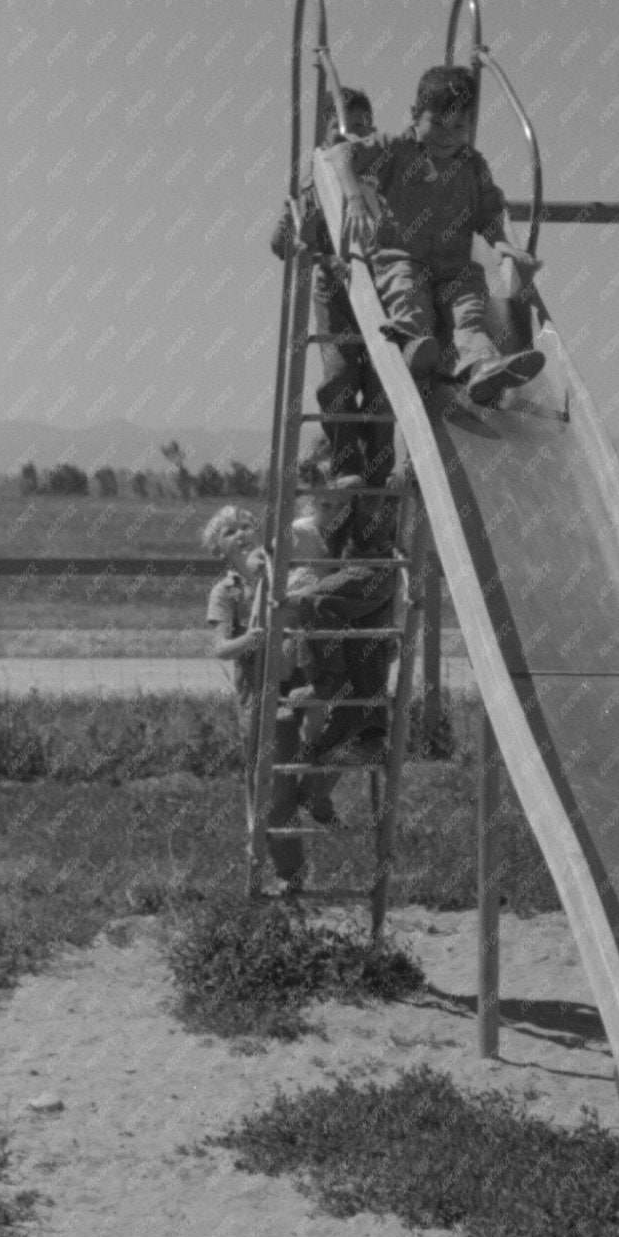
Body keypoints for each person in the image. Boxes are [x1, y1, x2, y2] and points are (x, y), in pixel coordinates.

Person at [331, 62, 546, 410]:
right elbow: (341, 153)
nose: (447, 135)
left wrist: (502, 244)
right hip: (402, 257)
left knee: (469, 313)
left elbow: (490, 213)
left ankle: (480, 368)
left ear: (470, 126)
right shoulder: (396, 149)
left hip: (454, 267)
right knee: (408, 294)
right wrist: (354, 198)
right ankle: (414, 344)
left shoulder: (472, 166)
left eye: (459, 126)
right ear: (416, 115)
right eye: (437, 124)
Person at [202, 504, 335, 892]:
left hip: (296, 685)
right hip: (259, 700)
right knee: (272, 788)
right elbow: (222, 649)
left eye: (245, 525)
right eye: (229, 532)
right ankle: (287, 874)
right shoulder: (226, 591)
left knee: (303, 766)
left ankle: (313, 801)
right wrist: (251, 638)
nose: (241, 533)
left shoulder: (276, 575)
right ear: (219, 550)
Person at [270, 84, 394, 489]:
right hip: (335, 287)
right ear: (323, 133)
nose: (350, 135)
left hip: (380, 286)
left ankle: (377, 472)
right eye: (341, 127)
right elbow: (280, 242)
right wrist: (300, 233)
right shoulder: (315, 174)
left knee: (383, 380)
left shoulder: (377, 171)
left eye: (361, 127)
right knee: (340, 374)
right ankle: (346, 461)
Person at [288, 490, 402, 766]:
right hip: (352, 595)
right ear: (314, 502)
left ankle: (330, 684)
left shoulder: (363, 512)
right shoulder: (307, 530)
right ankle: (363, 740)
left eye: (342, 504)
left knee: (314, 603)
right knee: (365, 650)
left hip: (372, 570)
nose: (335, 510)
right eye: (327, 504)